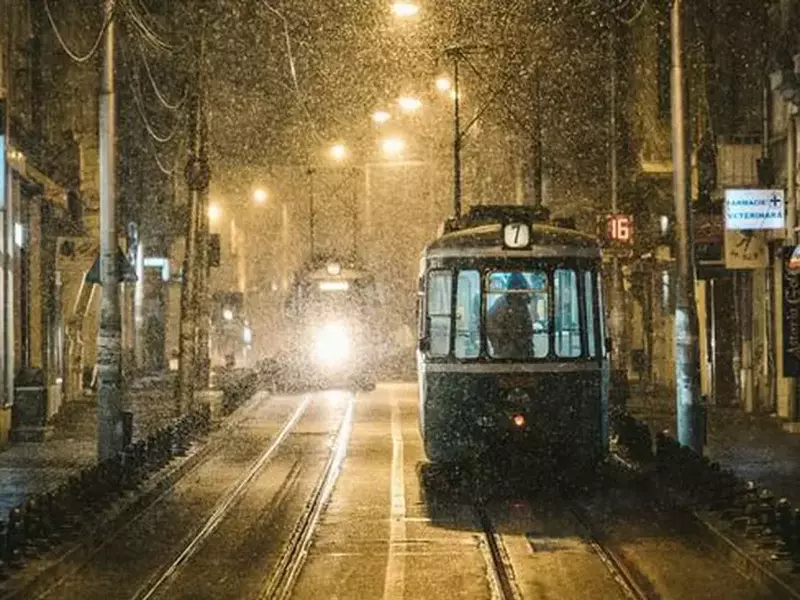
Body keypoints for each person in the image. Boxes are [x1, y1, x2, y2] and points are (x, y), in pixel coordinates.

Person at [486, 273, 534, 358]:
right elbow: (516, 334)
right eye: (523, 290)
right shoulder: (505, 307)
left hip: (512, 354)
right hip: (510, 356)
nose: (525, 295)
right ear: (516, 289)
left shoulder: (516, 304)